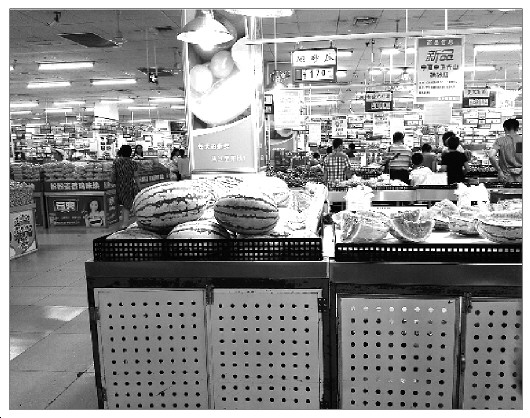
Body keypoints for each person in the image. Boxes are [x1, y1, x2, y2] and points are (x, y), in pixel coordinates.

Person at [111, 144, 140, 228]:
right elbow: (136, 176)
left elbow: (113, 174)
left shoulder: (116, 162)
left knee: (124, 204)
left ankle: (124, 222)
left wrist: (112, 180)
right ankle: (126, 223)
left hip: (120, 185)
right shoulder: (133, 163)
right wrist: (139, 186)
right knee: (128, 204)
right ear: (130, 153)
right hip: (130, 185)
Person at [487, 118, 522, 183]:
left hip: (505, 176)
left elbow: (491, 156)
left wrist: (499, 170)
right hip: (522, 176)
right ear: (517, 128)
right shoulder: (521, 140)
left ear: (505, 128)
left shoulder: (500, 141)